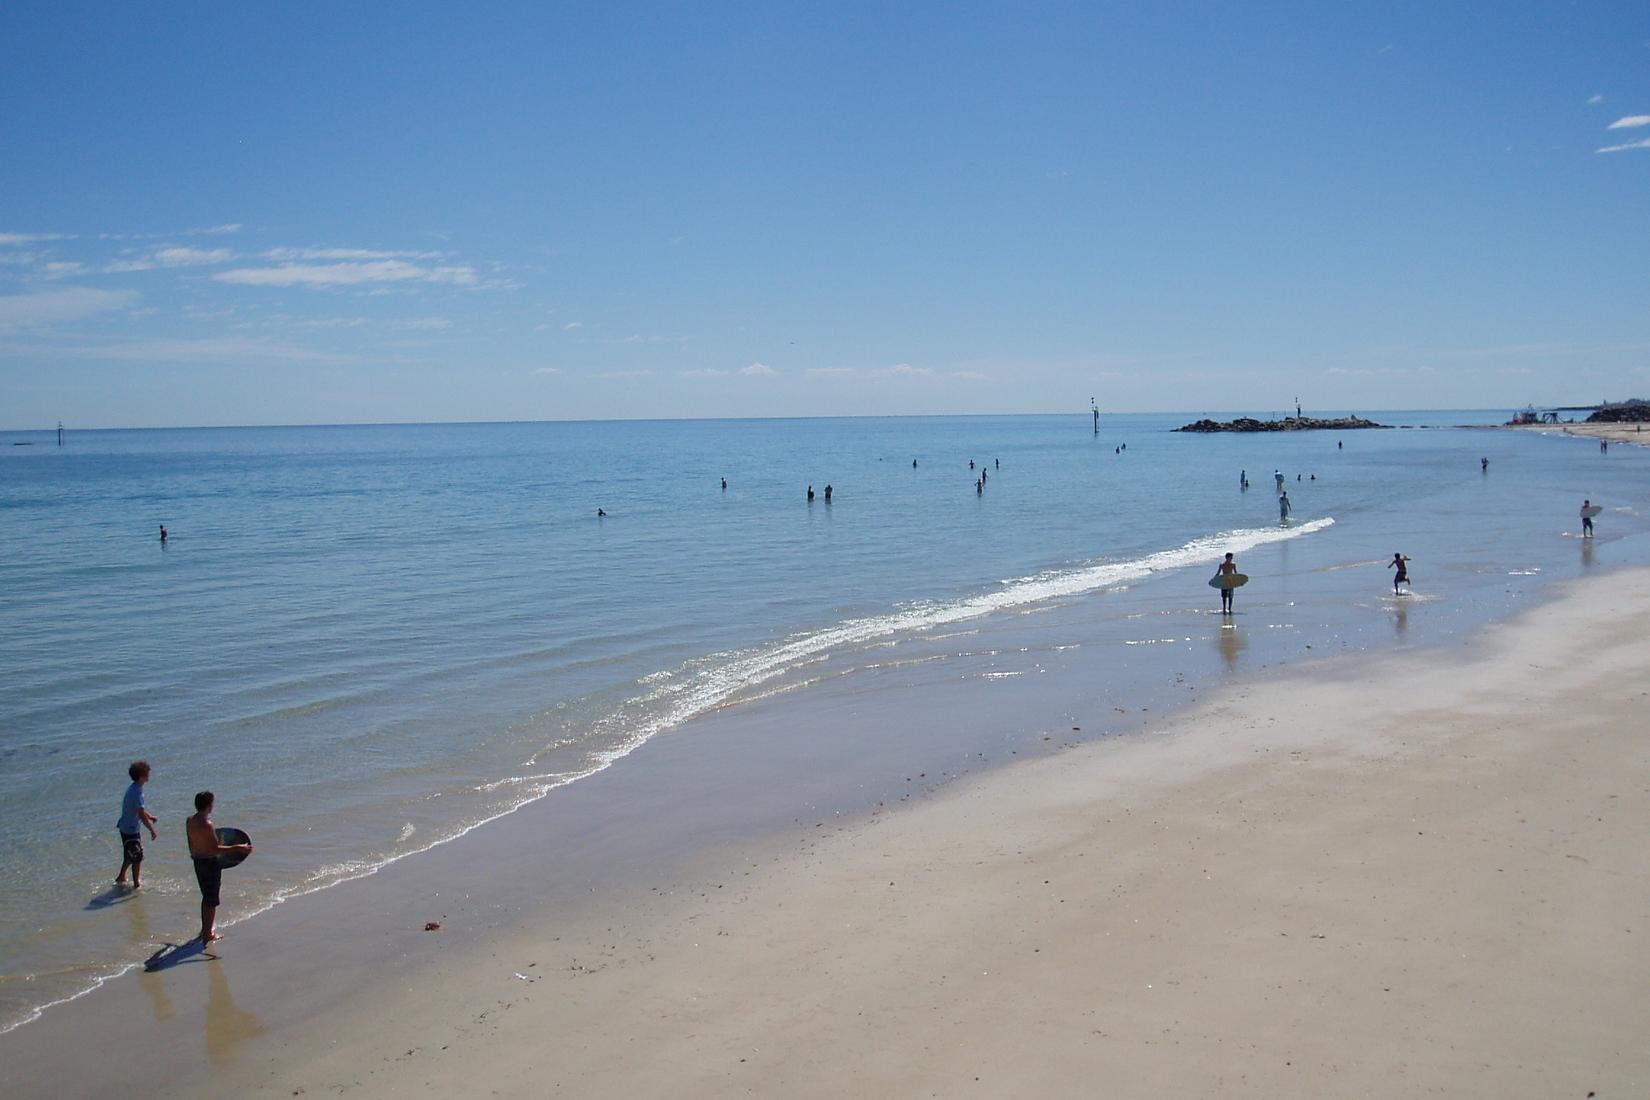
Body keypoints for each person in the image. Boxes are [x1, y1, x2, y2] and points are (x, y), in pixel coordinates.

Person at [186, 791, 251, 944]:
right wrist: (238, 847)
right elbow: (215, 849)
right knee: (212, 900)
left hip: (197, 861)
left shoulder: (189, 821)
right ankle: (208, 934)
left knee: (206, 897)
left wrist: (193, 854)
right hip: (210, 863)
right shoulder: (207, 825)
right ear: (209, 805)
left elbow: (190, 841)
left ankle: (205, 929)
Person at [115, 761, 159, 888]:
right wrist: (152, 829)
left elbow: (140, 810)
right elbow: (140, 814)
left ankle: (121, 876)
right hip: (130, 829)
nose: (149, 776)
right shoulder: (137, 793)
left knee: (130, 854)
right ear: (142, 777)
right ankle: (136, 884)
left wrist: (150, 816)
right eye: (147, 774)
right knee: (137, 857)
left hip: (125, 826)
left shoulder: (134, 788)